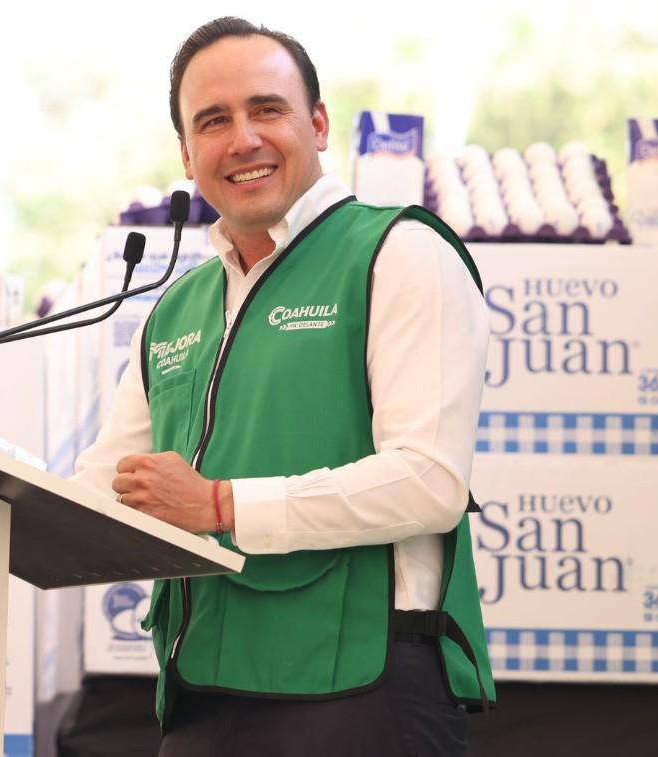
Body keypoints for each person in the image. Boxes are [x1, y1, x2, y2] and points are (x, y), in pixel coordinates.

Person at [72, 16, 496, 757]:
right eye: (213, 121)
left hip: (360, 696)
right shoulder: (174, 307)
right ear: (187, 154)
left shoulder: (399, 253)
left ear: (318, 124)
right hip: (201, 697)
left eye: (266, 109)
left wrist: (219, 505)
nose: (243, 139)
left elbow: (428, 482)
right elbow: (103, 491)